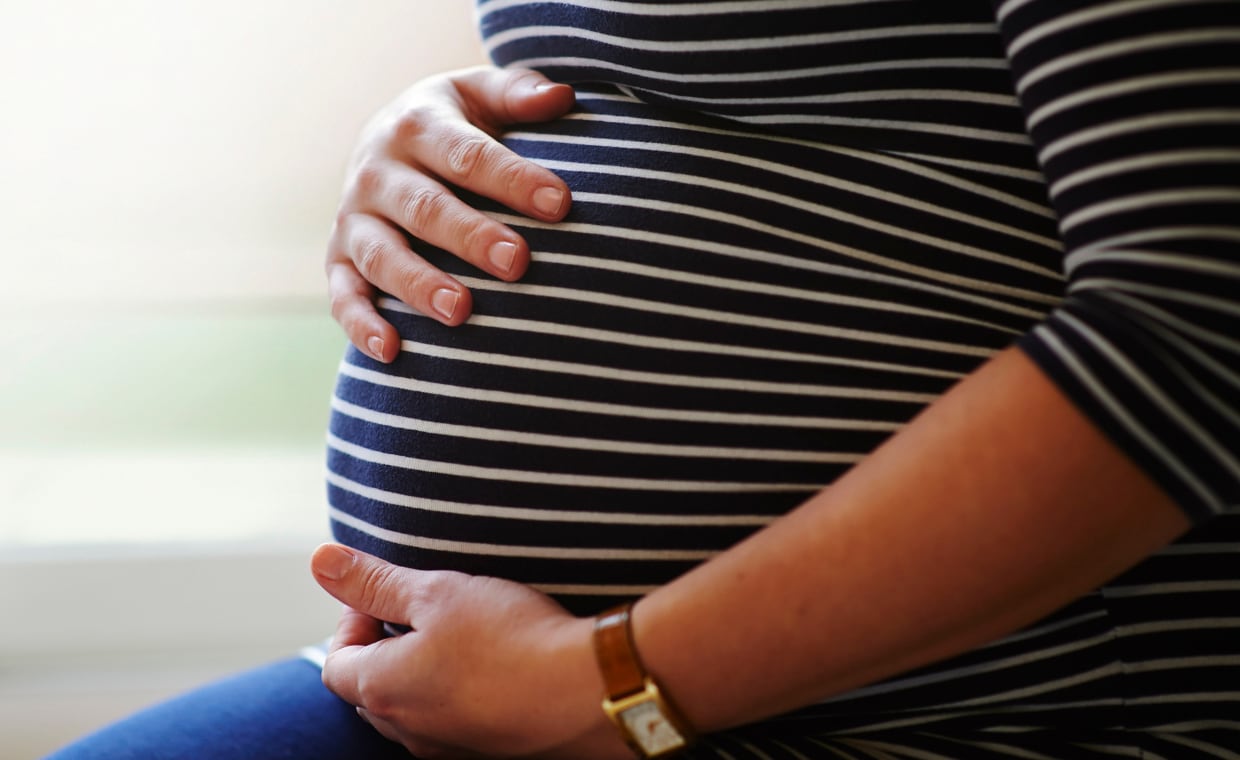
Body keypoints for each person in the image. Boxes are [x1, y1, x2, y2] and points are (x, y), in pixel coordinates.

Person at [48, 0, 1239, 758]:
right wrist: (430, 139)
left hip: (966, 715)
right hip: (505, 704)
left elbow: (1193, 319)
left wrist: (614, 683)